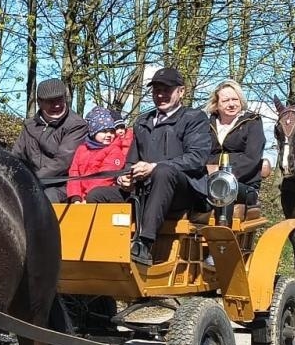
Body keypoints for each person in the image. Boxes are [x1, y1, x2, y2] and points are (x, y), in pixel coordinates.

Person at [87, 66, 212, 266]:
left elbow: (196, 158)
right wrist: (124, 177)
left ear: (181, 91)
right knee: (97, 195)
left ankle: (144, 244)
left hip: (182, 191)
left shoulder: (194, 118)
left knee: (163, 172)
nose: (160, 95)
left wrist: (154, 167)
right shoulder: (142, 121)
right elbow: (131, 161)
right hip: (143, 189)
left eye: (166, 90)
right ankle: (102, 252)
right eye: (156, 90)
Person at [10, 78, 88, 202]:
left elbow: (62, 163)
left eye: (60, 99)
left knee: (44, 198)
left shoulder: (76, 125)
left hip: (64, 185)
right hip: (33, 182)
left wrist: (32, 180)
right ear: (39, 102)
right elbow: (17, 157)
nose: (56, 105)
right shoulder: (29, 126)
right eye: (51, 101)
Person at [193, 80, 267, 210]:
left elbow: (251, 158)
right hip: (207, 181)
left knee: (222, 187)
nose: (231, 104)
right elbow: (199, 154)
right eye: (226, 100)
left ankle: (221, 223)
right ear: (216, 104)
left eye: (235, 99)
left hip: (243, 184)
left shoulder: (252, 122)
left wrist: (220, 172)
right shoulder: (205, 124)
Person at [66, 107, 131, 202]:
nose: (109, 135)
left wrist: (86, 197)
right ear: (93, 132)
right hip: (81, 196)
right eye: (104, 131)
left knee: (95, 195)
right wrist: (75, 196)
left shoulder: (114, 150)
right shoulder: (82, 149)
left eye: (112, 131)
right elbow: (74, 173)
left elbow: (105, 177)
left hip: (99, 196)